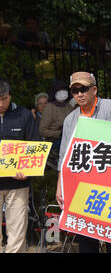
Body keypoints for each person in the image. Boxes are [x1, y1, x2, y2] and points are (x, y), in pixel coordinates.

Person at [55, 71, 111, 253]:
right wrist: (60, 185)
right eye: (75, 91)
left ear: (94, 89)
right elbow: (65, 155)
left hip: (110, 182)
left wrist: (90, 131)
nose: (79, 94)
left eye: (83, 89)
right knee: (86, 236)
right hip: (83, 184)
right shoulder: (70, 119)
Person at [0, 79, 40, 253]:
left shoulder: (24, 115)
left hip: (18, 183)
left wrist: (26, 169)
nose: (1, 103)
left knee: (17, 230)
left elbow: (34, 145)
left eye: (4, 99)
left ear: (11, 96)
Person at [39, 81, 74, 152]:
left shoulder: (69, 107)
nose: (63, 92)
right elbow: (42, 131)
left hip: (69, 139)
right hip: (55, 142)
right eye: (60, 91)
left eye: (65, 90)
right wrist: (59, 133)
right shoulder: (49, 108)